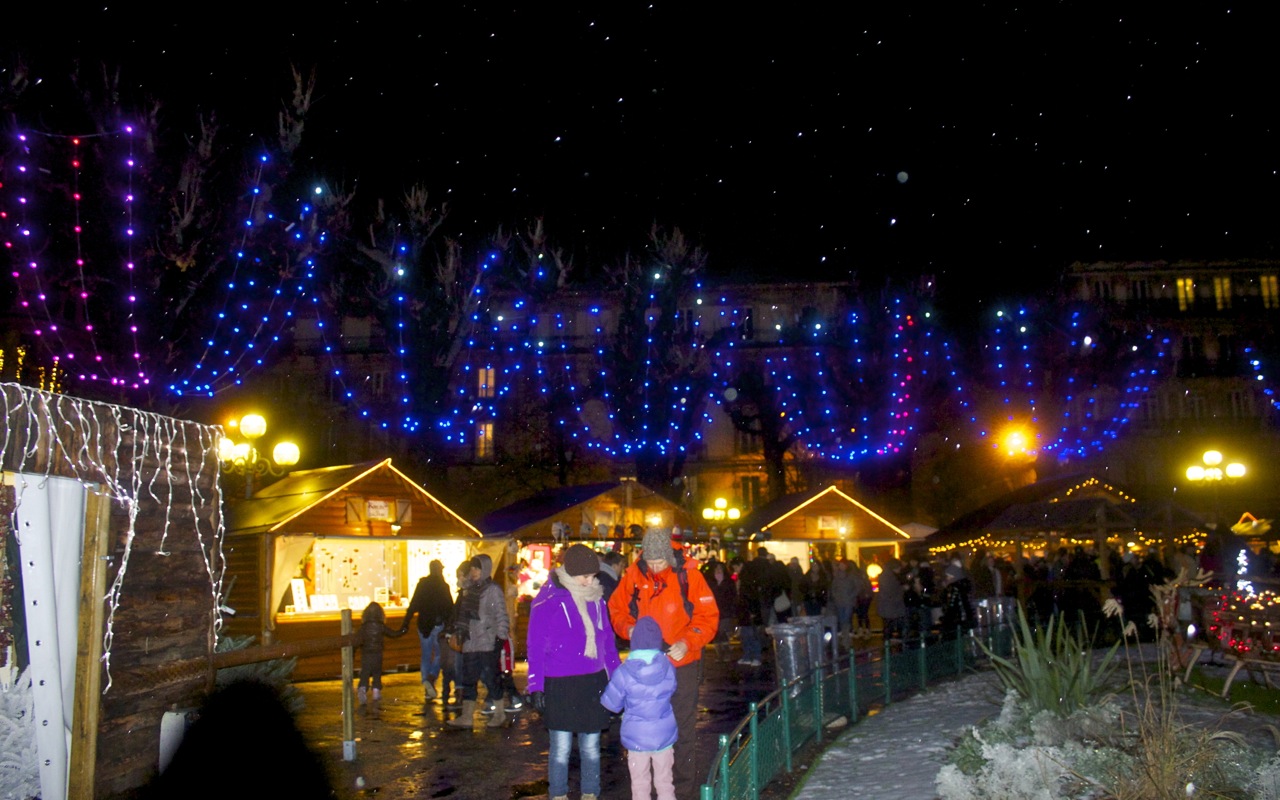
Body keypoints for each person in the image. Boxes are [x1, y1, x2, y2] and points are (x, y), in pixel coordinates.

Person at [608, 529, 719, 800]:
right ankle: (647, 790)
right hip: (645, 666)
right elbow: (616, 608)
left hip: (682, 663)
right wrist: (628, 629)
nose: (655, 567)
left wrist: (687, 642)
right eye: (651, 561)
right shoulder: (635, 574)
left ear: (669, 556)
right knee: (646, 727)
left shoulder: (690, 575)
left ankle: (681, 792)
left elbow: (707, 617)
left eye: (660, 562)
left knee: (682, 728)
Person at [526, 544, 621, 800]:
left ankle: (590, 793)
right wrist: (536, 685)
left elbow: (608, 643)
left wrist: (619, 679)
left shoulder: (598, 599)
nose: (590, 581)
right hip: (560, 683)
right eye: (585, 576)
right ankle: (558, 795)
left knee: (591, 747)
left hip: (592, 682)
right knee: (561, 748)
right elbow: (535, 646)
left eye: (593, 576)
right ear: (570, 571)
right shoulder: (547, 601)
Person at [600, 616, 678, 800]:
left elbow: (611, 703)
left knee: (640, 782)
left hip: (636, 738)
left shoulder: (624, 671)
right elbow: (672, 688)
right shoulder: (668, 667)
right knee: (665, 781)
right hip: (664, 736)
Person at [448, 553, 511, 729]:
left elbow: (501, 615)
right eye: (473, 568)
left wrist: (499, 639)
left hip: (487, 641)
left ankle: (499, 714)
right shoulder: (469, 590)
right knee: (469, 679)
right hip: (470, 641)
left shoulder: (492, 590)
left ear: (485, 569)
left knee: (491, 678)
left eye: (478, 568)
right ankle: (467, 717)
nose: (474, 571)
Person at [398, 559, 454, 702]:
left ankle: (426, 685)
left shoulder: (422, 584)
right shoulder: (443, 586)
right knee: (439, 654)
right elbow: (449, 608)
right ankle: (431, 677)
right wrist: (450, 625)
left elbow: (413, 604)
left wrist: (405, 623)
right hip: (438, 625)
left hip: (423, 625)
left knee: (426, 654)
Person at [355, 601, 402, 708]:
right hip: (377, 653)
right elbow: (393, 634)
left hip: (366, 653)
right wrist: (403, 629)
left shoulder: (364, 627)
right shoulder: (381, 626)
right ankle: (376, 692)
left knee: (365, 673)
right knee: (377, 673)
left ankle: (362, 688)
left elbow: (357, 639)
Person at [706, 559, 738, 661]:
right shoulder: (710, 582)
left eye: (720, 568)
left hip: (725, 611)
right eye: (717, 569)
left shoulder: (729, 582)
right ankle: (719, 654)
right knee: (717, 634)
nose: (718, 570)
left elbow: (733, 596)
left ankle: (726, 654)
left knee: (723, 632)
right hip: (713, 611)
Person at [875, 558, 907, 640]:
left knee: (888, 625)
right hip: (890, 605)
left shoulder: (886, 575)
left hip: (889, 605)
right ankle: (889, 643)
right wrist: (902, 589)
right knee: (890, 625)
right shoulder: (889, 577)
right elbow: (890, 591)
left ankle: (888, 642)